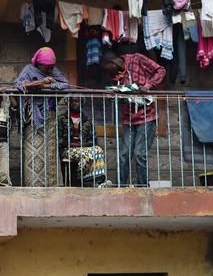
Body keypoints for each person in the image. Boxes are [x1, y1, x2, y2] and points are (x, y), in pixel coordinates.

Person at [101, 51, 166, 187]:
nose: (118, 77)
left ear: (119, 64)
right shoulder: (115, 74)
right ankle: (121, 187)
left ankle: (142, 187)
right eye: (115, 77)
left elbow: (161, 71)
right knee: (124, 154)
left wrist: (147, 86)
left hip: (147, 115)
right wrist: (114, 95)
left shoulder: (137, 59)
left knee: (140, 154)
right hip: (128, 118)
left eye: (119, 74)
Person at [13, 47, 71, 187]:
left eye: (51, 67)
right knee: (33, 154)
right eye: (47, 68)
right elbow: (18, 86)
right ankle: (34, 186)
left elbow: (66, 84)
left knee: (50, 152)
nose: (50, 70)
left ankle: (52, 185)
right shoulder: (28, 70)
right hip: (32, 118)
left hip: (49, 116)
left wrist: (53, 86)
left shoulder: (54, 71)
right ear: (39, 64)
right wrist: (40, 83)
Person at [58, 97, 108, 187]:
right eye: (72, 101)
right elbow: (59, 139)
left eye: (77, 101)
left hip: (84, 149)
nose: (74, 103)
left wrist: (82, 145)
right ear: (68, 103)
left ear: (81, 103)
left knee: (98, 150)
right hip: (67, 150)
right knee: (87, 154)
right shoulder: (62, 119)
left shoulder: (87, 120)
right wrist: (73, 144)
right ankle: (84, 179)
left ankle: (99, 179)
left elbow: (93, 140)